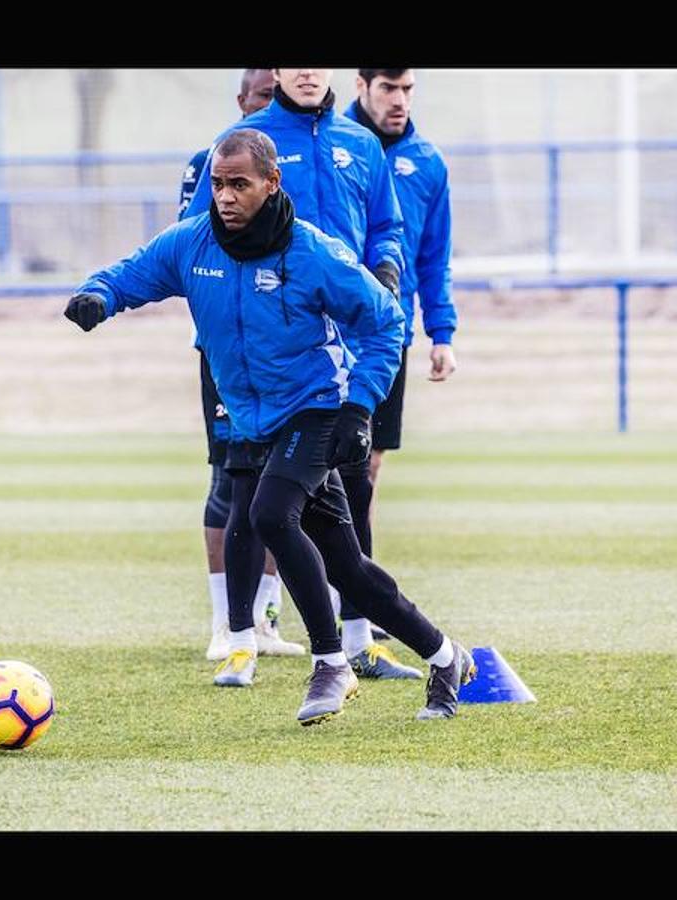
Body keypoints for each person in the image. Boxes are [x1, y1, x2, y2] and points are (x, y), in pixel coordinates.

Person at [64, 129, 476, 724]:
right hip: (251, 420)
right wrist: (97, 296)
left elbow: (386, 323)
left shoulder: (311, 253)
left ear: (271, 183)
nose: (225, 196)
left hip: (315, 408)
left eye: (239, 184)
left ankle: (330, 665)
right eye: (218, 184)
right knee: (346, 565)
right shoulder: (192, 244)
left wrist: (360, 408)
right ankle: (445, 656)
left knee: (266, 515)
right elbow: (131, 273)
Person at [184, 68, 421, 681]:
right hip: (258, 354)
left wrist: (387, 273)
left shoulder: (360, 145)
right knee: (242, 490)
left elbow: (387, 229)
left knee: (354, 491)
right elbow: (192, 241)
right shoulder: (241, 139)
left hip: (351, 343)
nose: (309, 70)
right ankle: (239, 633)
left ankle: (358, 638)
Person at [178, 69, 301, 662]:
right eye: (259, 97)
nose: (267, 108)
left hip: (287, 358)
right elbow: (183, 249)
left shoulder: (290, 168)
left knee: (286, 489)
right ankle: (225, 622)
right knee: (229, 479)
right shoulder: (210, 165)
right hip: (226, 355)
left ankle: (266, 619)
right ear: (242, 102)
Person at [342, 67, 458, 590]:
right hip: (328, 330)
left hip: (389, 336)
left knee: (367, 466)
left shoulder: (427, 163)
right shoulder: (335, 146)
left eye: (407, 89)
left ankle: (353, 590)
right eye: (389, 88)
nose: (400, 100)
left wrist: (442, 333)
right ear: (361, 87)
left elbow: (434, 257)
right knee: (310, 466)